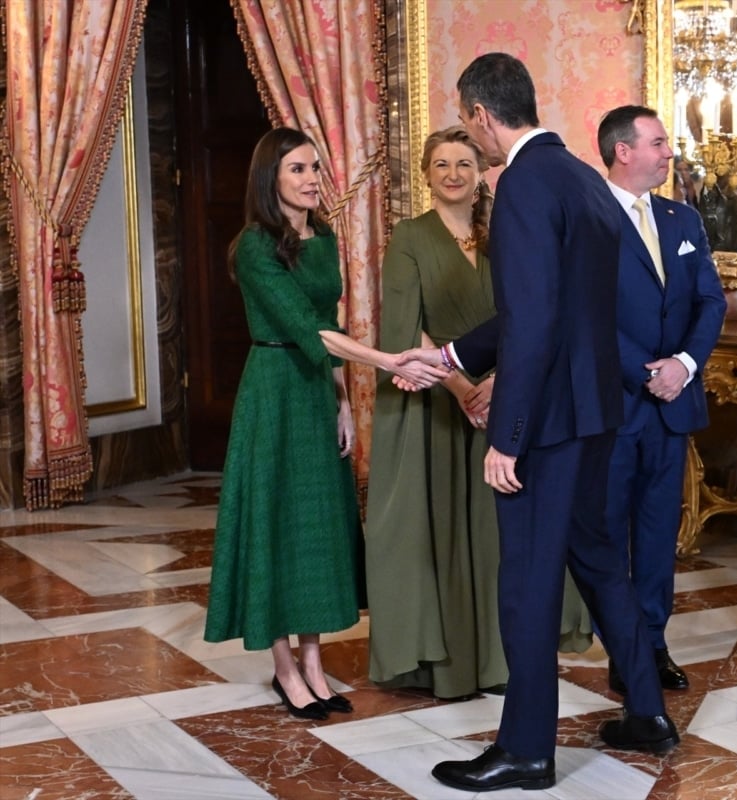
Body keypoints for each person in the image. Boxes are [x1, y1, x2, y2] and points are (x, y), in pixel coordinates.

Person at [422, 53, 680, 793]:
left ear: (481, 115)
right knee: (598, 562)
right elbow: (552, 309)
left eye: (468, 124)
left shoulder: (524, 184)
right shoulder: (580, 178)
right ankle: (647, 713)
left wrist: (507, 437)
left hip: (551, 423)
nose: (472, 140)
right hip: (596, 414)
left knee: (528, 584)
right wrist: (448, 354)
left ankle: (527, 751)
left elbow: (534, 321)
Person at [202, 128, 438, 721]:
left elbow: (326, 320)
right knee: (277, 523)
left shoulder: (324, 237)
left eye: (314, 168)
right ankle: (285, 668)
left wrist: (342, 402)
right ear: (271, 178)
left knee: (315, 526)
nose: (312, 179)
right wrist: (388, 361)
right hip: (274, 390)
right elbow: (306, 330)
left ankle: (313, 662)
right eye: (298, 170)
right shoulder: (254, 247)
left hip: (314, 390)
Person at [356, 126, 592, 701]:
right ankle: (456, 662)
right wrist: (464, 389)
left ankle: (504, 658)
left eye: (464, 162)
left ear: (482, 171)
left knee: (500, 537)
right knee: (447, 533)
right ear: (426, 174)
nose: (454, 174)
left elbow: (530, 316)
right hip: (439, 409)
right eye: (441, 164)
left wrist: (500, 384)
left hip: (509, 400)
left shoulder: (502, 230)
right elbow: (406, 329)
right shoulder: (410, 237)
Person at [595, 105, 726, 696]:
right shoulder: (588, 217)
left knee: (655, 535)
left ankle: (653, 645)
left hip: (673, 406)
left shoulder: (682, 217)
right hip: (614, 405)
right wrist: (644, 372)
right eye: (658, 142)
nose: (669, 152)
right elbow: (585, 313)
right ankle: (621, 651)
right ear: (623, 150)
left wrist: (684, 365)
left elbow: (710, 302)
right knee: (608, 534)